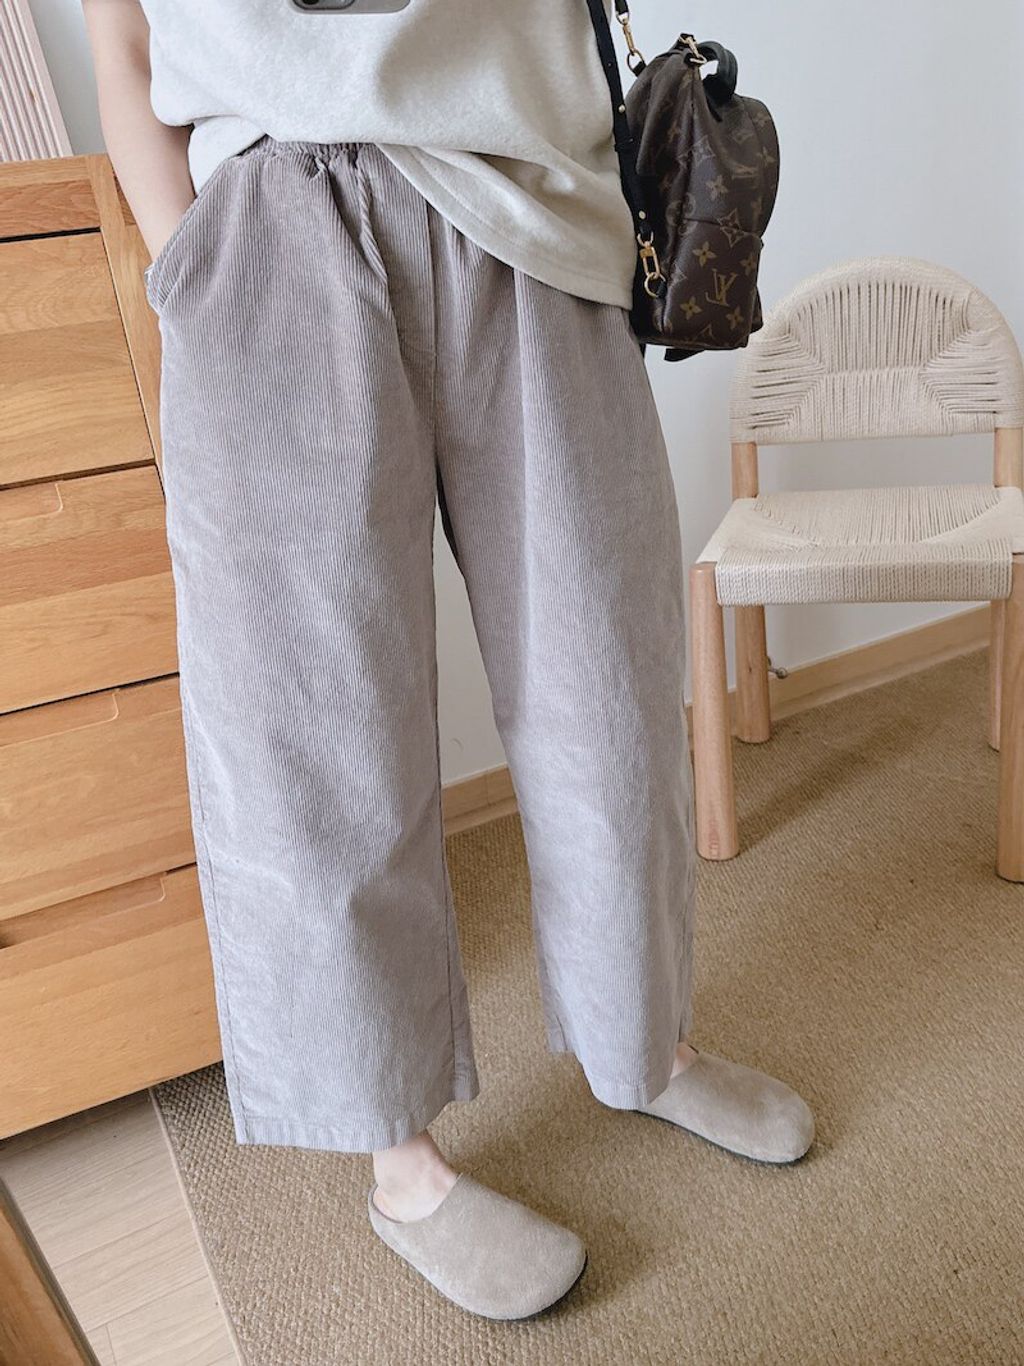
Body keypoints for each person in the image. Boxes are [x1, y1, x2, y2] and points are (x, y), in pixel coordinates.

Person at [82, 0, 814, 1321]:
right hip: (271, 222)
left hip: (528, 200)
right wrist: (187, 256)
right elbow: (120, 30)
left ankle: (646, 1046)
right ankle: (401, 1162)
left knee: (609, 687)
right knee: (313, 730)